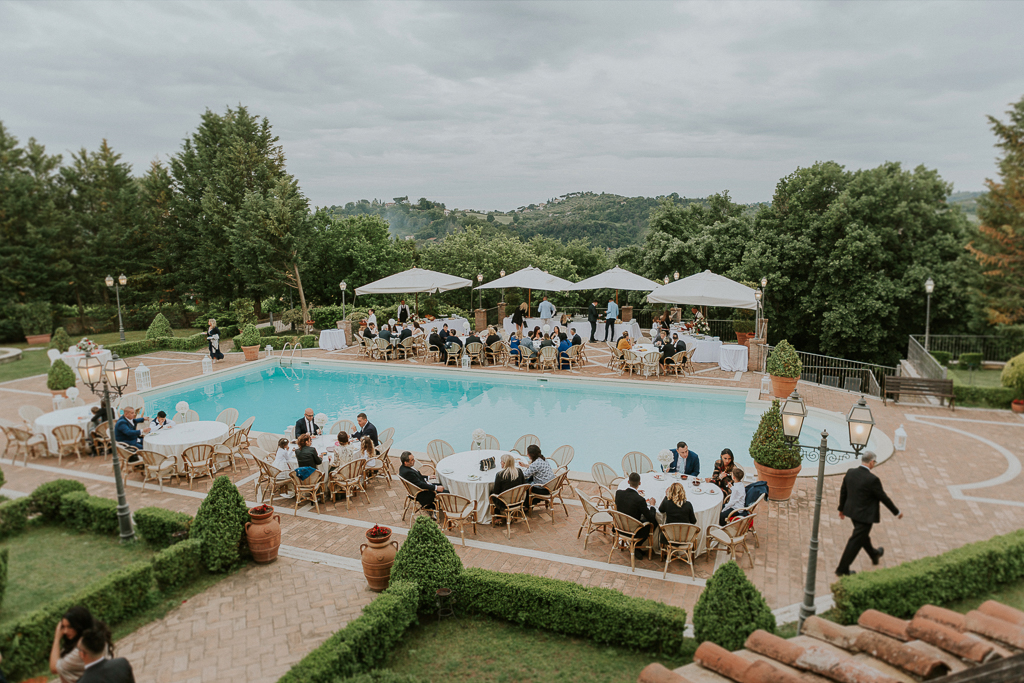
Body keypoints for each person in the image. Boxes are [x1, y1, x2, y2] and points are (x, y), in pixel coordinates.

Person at [836, 451, 902, 577]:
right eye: (874, 462)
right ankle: (842, 569)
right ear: (871, 462)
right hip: (865, 517)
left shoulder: (850, 472)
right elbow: (883, 497)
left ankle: (874, 554)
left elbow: (843, 491)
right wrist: (896, 511)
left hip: (852, 513)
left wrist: (841, 509)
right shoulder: (873, 480)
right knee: (855, 541)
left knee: (862, 537)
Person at [614, 472, 658, 559]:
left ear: (628, 482)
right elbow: (651, 517)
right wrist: (652, 505)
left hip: (619, 527)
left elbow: (626, 502)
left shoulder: (618, 493)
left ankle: (635, 547)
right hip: (633, 530)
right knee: (655, 522)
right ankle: (637, 545)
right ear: (640, 483)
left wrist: (635, 493)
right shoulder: (640, 500)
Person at [50, 605, 94, 683]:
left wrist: (56, 639)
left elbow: (54, 668)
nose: (65, 631)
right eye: (63, 627)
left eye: (70, 627)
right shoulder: (93, 637)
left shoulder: (79, 651)